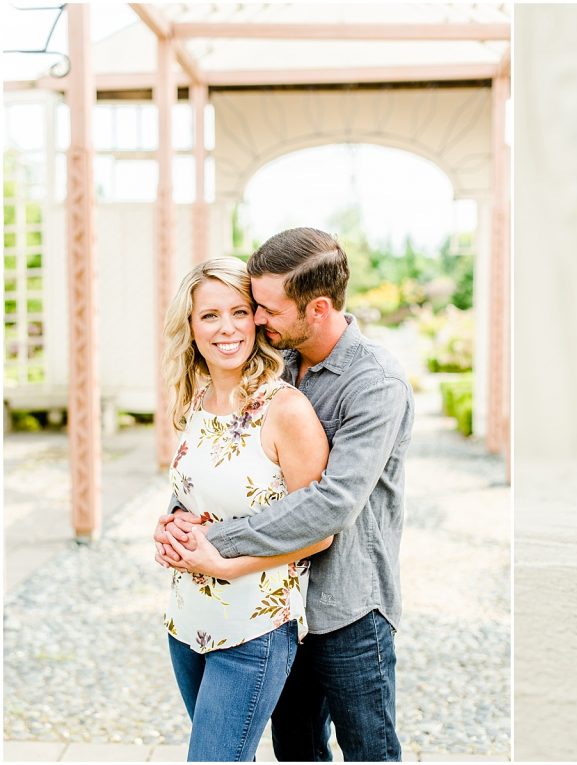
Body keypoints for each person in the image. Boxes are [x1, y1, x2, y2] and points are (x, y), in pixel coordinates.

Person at [155, 228, 415, 762]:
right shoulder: (280, 361)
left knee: (370, 751)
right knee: (296, 750)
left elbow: (332, 503)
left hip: (347, 607)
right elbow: (232, 470)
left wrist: (214, 542)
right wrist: (178, 520)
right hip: (276, 603)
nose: (255, 320)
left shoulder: (375, 382)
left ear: (316, 308)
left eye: (264, 308)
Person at [157, 257, 332, 762]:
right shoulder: (195, 399)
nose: (227, 327)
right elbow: (195, 496)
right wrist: (168, 525)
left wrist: (224, 563)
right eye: (210, 315)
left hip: (253, 627)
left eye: (239, 311)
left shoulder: (286, 409)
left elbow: (319, 533)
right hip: (186, 620)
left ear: (257, 319)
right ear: (190, 327)